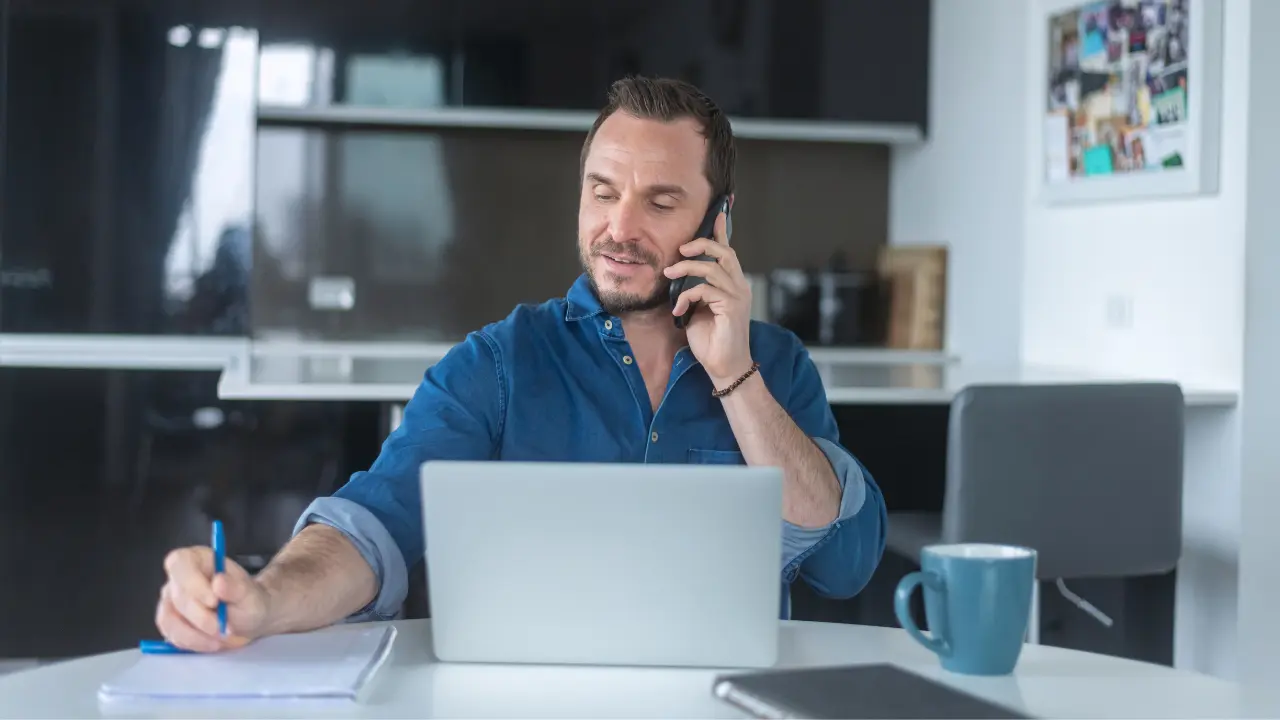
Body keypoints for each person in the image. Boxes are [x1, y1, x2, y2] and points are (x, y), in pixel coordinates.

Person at [155, 76, 888, 653]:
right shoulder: (499, 364)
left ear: (716, 222)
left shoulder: (777, 367)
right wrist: (266, 598)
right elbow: (371, 525)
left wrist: (735, 377)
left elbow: (843, 562)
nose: (619, 228)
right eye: (603, 192)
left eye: (660, 202)